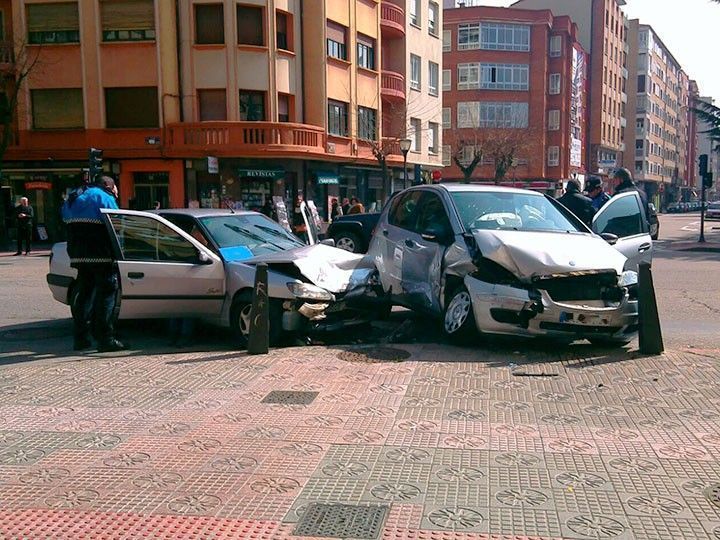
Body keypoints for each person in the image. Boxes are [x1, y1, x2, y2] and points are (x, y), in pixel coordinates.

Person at [62, 176, 126, 352]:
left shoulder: (74, 196)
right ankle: (106, 339)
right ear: (107, 185)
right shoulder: (104, 197)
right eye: (115, 188)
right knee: (106, 294)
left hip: (78, 255)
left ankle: (80, 338)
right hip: (101, 254)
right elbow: (117, 224)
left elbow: (64, 219)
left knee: (84, 295)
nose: (116, 192)